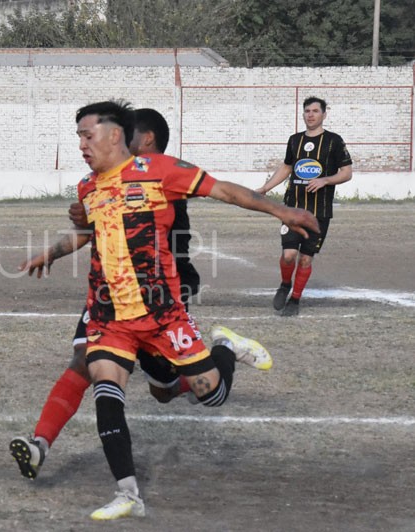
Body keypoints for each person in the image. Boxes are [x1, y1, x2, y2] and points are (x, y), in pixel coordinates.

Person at [18, 101, 318, 521]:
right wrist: (50, 253)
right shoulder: (88, 186)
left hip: (163, 315)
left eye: (87, 136)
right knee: (106, 388)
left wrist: (281, 210)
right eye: (79, 138)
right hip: (109, 315)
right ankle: (128, 494)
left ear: (114, 134)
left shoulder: (161, 171)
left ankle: (225, 345)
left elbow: (225, 190)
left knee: (209, 394)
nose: (82, 145)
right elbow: (86, 230)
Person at [256, 96, 353, 316]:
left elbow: (346, 173)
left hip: (319, 211)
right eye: (307, 111)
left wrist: (325, 180)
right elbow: (287, 167)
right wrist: (265, 188)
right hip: (292, 208)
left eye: (315, 111)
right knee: (289, 254)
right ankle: (284, 284)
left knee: (306, 258)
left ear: (324, 114)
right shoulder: (294, 140)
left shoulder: (334, 141)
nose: (310, 114)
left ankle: (295, 300)